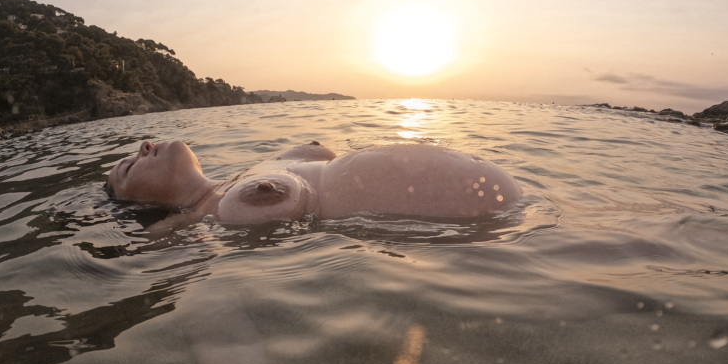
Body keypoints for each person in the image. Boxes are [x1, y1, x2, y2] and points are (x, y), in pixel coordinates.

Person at [105, 139, 522, 229]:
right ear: (138, 202)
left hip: (508, 210)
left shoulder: (258, 163)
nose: (142, 147)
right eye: (128, 168)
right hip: (486, 233)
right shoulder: (196, 219)